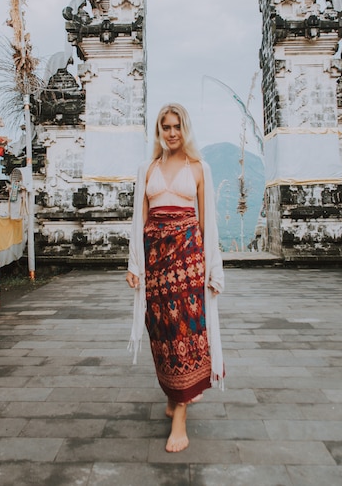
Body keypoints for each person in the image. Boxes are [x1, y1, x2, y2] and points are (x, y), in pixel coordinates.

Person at [126, 103, 225, 453]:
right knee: (162, 331)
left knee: (185, 329)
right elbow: (138, 221)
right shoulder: (147, 168)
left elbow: (207, 222)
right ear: (158, 131)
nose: (171, 133)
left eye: (177, 127)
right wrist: (134, 264)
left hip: (187, 260)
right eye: (165, 127)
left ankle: (180, 413)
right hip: (155, 262)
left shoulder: (199, 168)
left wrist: (213, 269)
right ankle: (172, 392)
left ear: (186, 129)